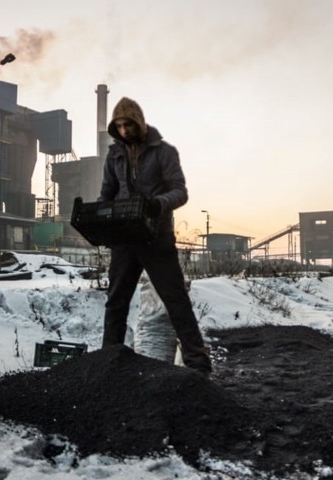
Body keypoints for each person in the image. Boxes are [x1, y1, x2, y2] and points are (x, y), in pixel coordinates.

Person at [98, 97, 211, 376]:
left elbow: (180, 191)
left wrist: (158, 203)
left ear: (139, 122)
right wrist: (101, 218)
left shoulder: (164, 152)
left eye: (128, 124)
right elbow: (106, 194)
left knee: (175, 300)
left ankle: (198, 364)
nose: (124, 130)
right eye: (119, 126)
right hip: (125, 238)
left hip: (156, 237)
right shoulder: (114, 156)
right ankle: (106, 363)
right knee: (116, 301)